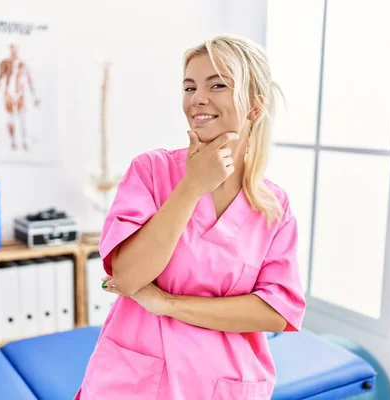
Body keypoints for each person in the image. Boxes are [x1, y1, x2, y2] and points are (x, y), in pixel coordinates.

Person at [75, 34, 306, 400]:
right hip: (134, 381)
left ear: (255, 106)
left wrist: (167, 304)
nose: (197, 98)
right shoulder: (151, 171)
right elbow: (129, 276)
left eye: (217, 85)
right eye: (189, 86)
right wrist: (191, 187)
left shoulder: (273, 205)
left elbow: (276, 312)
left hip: (222, 383)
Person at [0, 43, 40, 151]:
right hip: (9, 94)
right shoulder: (5, 63)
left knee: (22, 118)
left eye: (15, 49)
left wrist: (34, 97)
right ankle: (13, 141)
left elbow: (29, 80)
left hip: (19, 93)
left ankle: (24, 141)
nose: (14, 51)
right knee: (11, 118)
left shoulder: (23, 64)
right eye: (12, 49)